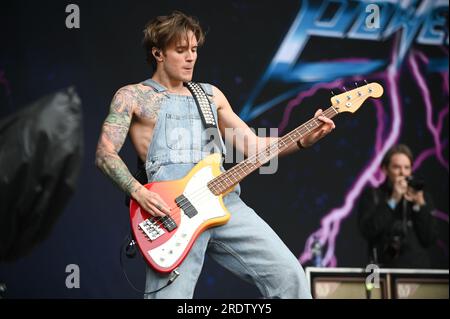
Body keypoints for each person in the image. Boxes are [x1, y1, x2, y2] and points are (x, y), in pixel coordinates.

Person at [95, 11, 335, 298]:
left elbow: (255, 149)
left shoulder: (210, 96)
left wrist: (303, 140)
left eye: (194, 49)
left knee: (291, 277)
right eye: (180, 50)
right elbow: (104, 153)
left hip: (224, 203)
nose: (190, 57)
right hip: (171, 212)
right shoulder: (133, 96)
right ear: (158, 53)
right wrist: (138, 192)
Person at [358, 144, 437, 269]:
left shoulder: (422, 197)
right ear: (385, 169)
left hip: (418, 271)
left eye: (407, 168)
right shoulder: (373, 195)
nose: (402, 173)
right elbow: (368, 231)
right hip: (381, 269)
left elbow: (429, 239)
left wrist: (420, 205)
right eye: (396, 167)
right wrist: (393, 199)